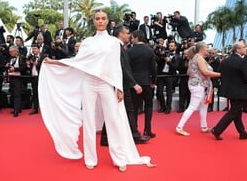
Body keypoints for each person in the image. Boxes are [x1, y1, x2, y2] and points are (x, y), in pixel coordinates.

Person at [39, 10, 154, 172]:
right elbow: (78, 62)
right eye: (97, 19)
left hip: (106, 83)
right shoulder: (87, 42)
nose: (100, 21)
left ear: (107, 21)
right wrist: (54, 62)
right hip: (88, 83)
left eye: (103, 18)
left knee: (113, 120)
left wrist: (119, 87)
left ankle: (119, 157)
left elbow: (116, 66)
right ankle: (90, 158)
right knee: (89, 121)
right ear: (94, 21)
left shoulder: (114, 42)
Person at [100, 25, 150, 146]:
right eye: (127, 33)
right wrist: (134, 84)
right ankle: (134, 136)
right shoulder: (117, 47)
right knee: (129, 110)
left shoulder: (119, 47)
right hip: (120, 84)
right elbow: (122, 67)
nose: (129, 35)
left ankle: (106, 138)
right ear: (119, 34)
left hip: (118, 83)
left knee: (115, 110)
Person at [211, 41, 247, 140]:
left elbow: (220, 73)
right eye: (244, 47)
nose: (246, 49)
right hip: (239, 91)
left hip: (229, 90)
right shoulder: (243, 62)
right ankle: (217, 130)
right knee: (234, 112)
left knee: (237, 112)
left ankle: (242, 132)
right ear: (237, 49)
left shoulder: (225, 61)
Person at [175, 42, 221, 136]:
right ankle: (179, 127)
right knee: (193, 106)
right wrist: (220, 75)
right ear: (202, 49)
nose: (208, 49)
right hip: (198, 85)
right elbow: (205, 72)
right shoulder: (199, 58)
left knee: (204, 105)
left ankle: (204, 126)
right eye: (207, 48)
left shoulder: (194, 58)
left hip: (198, 84)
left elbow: (188, 72)